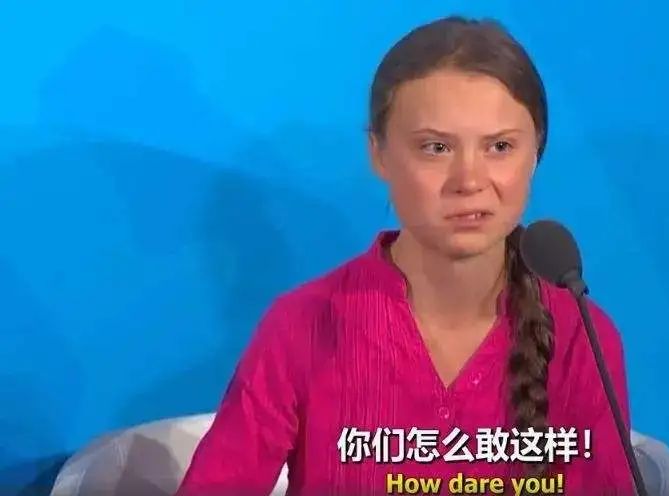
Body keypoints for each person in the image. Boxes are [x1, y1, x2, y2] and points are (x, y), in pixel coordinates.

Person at [176, 15, 636, 496]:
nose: (469, 180)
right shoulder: (303, 324)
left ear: (536, 152)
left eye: (500, 146)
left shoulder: (582, 335)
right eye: (436, 148)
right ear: (378, 153)